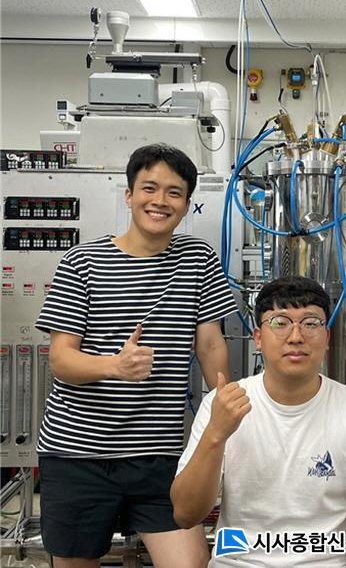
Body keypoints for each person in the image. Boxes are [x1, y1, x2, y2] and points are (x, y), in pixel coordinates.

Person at [36, 143, 238, 568]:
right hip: (78, 454)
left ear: (187, 204)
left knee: (190, 564)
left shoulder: (198, 259)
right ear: (128, 195)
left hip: (159, 456)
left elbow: (210, 344)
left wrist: (226, 412)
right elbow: (60, 360)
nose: (160, 201)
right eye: (149, 188)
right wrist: (116, 365)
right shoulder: (82, 262)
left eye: (174, 192)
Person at [171, 276, 346, 567]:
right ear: (258, 338)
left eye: (310, 323)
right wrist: (215, 435)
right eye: (280, 323)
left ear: (327, 338)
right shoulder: (221, 407)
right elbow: (185, 514)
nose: (296, 336)